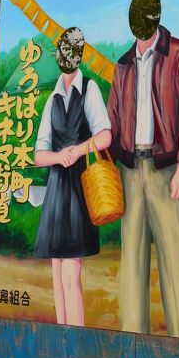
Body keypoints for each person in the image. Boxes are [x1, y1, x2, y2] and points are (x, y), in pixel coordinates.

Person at [107, 0, 179, 339]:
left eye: (142, 19)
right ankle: (134, 338)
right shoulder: (123, 64)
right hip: (129, 168)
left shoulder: (178, 53)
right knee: (131, 257)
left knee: (173, 257)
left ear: (155, 18)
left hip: (164, 167)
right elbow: (114, 118)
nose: (138, 26)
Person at [34, 27, 112, 327]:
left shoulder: (89, 88)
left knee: (71, 271)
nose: (66, 55)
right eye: (63, 49)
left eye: (73, 49)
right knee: (56, 270)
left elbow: (105, 136)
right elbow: (38, 153)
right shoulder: (52, 98)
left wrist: (77, 151)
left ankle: (75, 337)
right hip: (56, 188)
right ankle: (62, 335)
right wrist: (58, 157)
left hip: (81, 185)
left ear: (78, 55)